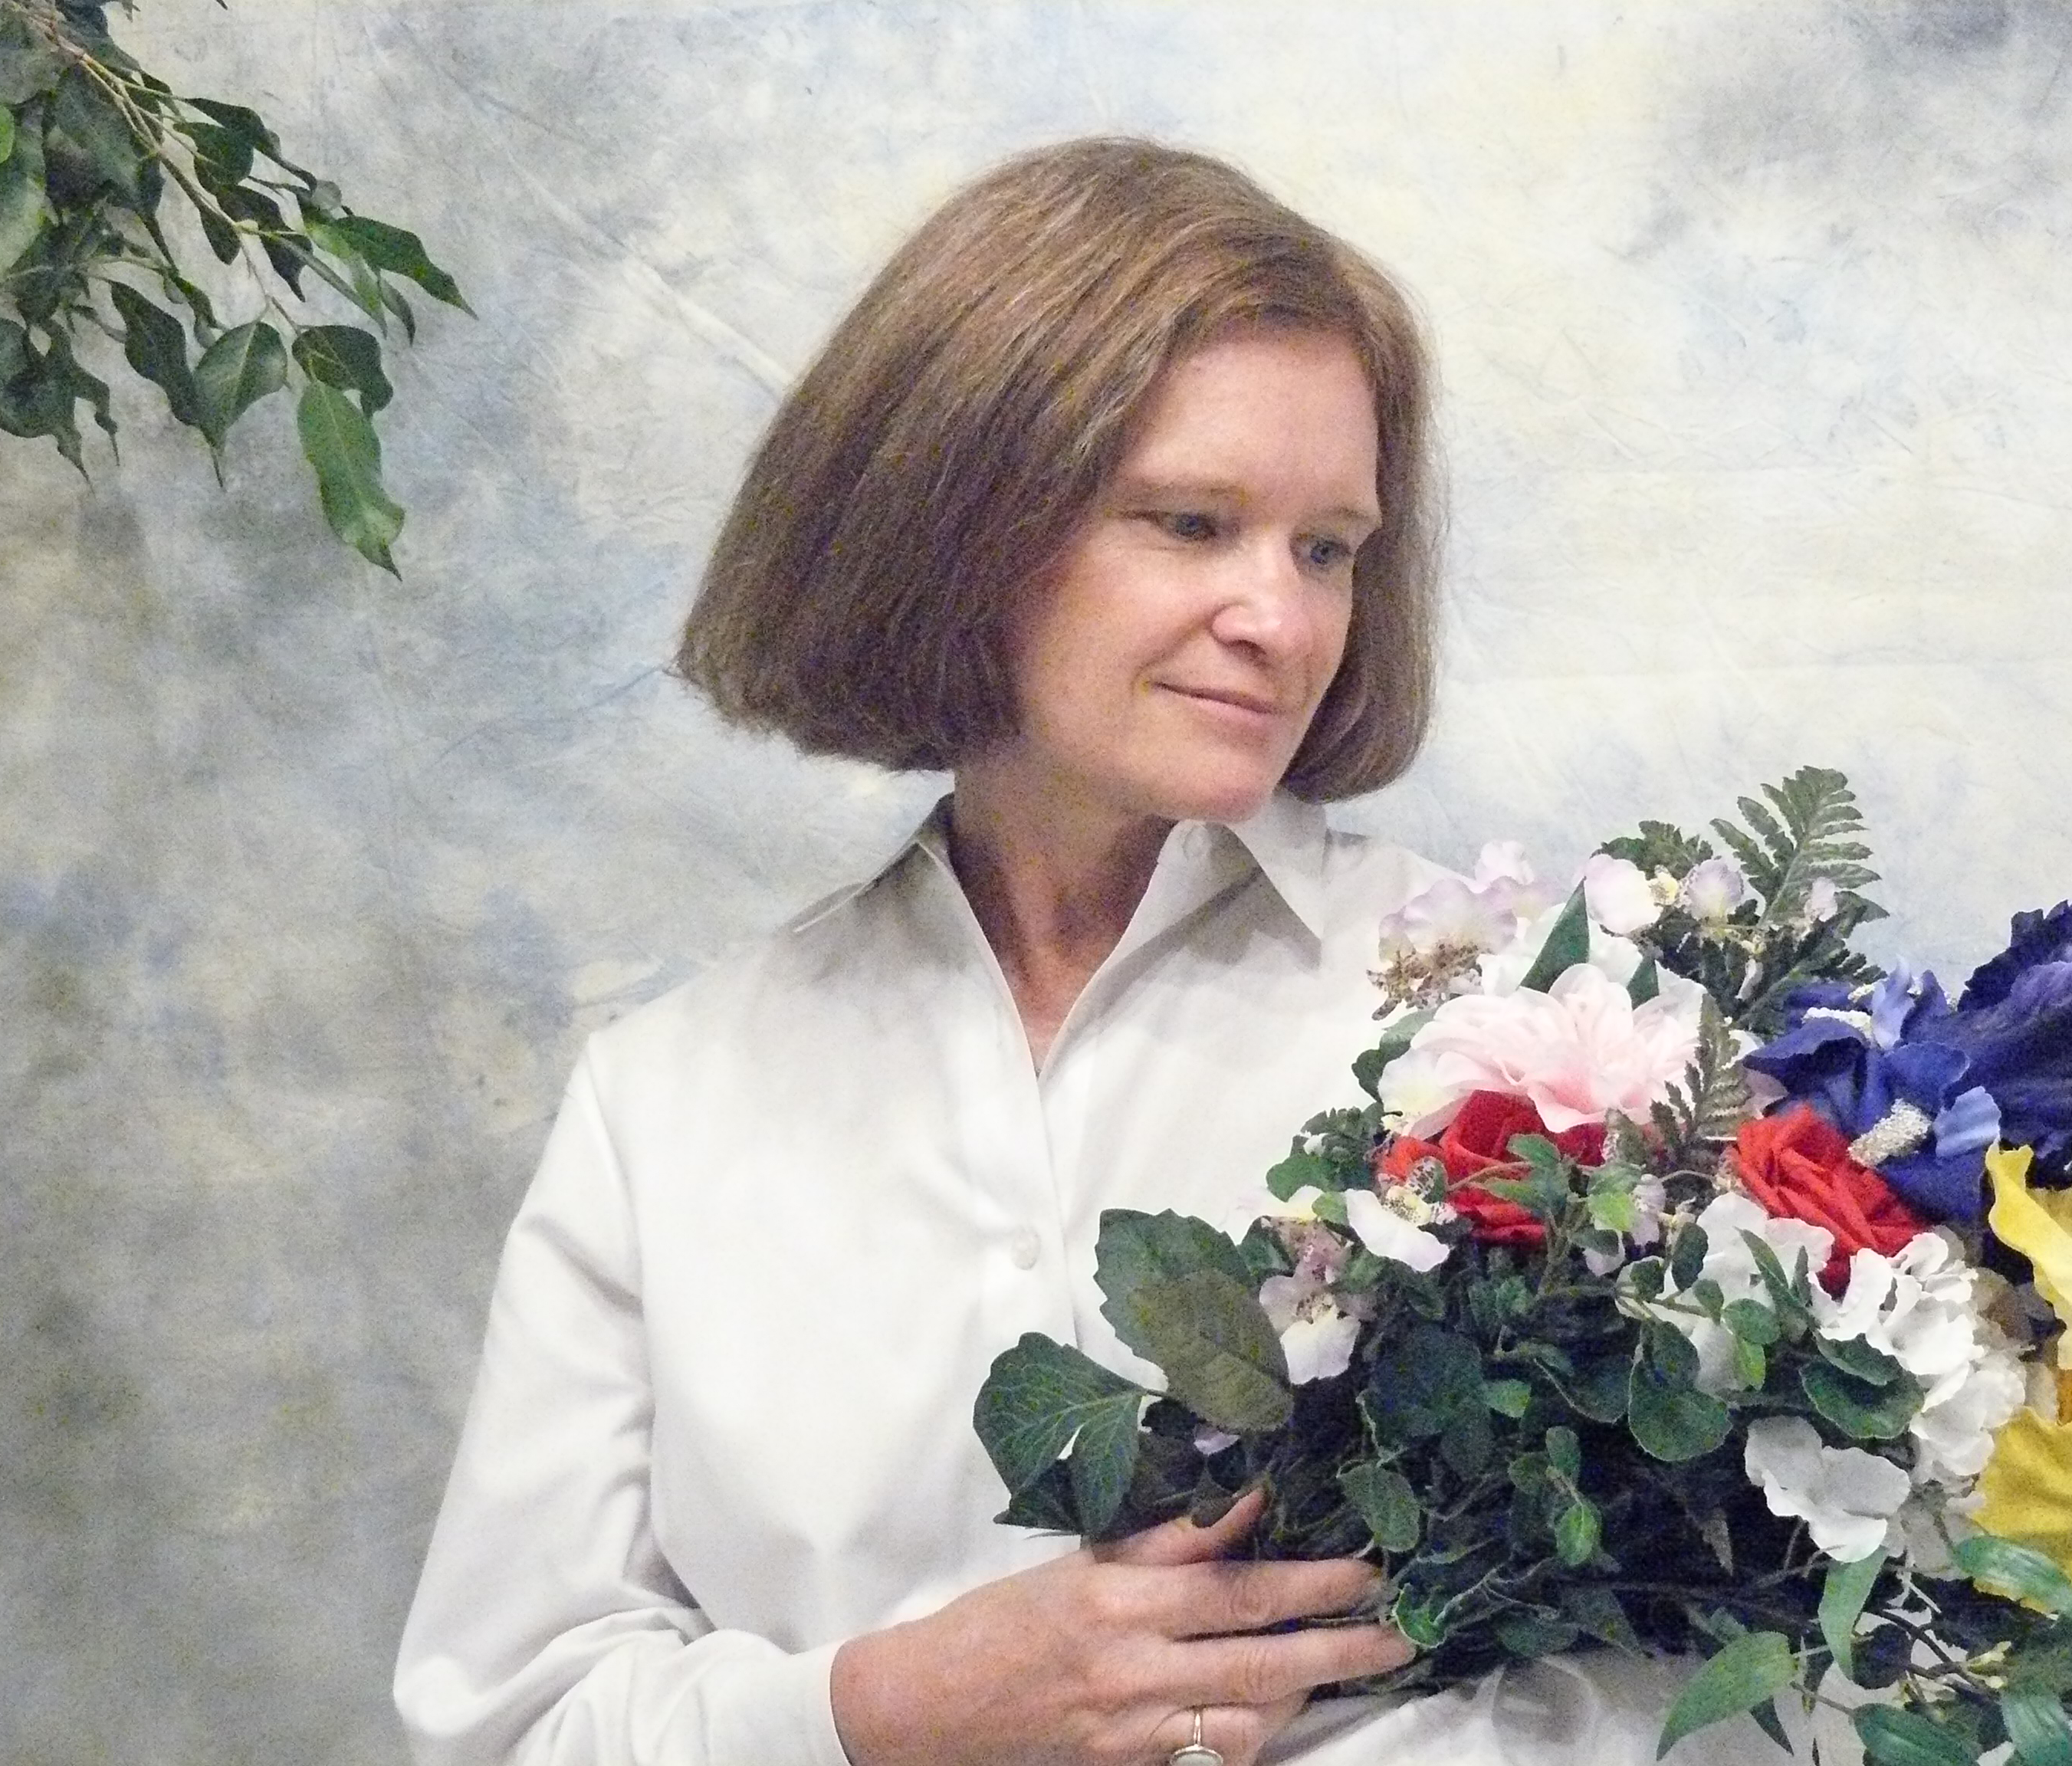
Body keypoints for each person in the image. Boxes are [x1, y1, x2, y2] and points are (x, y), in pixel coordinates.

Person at [393, 136, 1447, 1766]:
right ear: (958, 526)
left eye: (1329, 548)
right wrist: (888, 1712)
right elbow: (510, 1721)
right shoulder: (667, 1103)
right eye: (1191, 523)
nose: (1286, 621)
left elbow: (1684, 1683)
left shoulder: (1517, 1028)